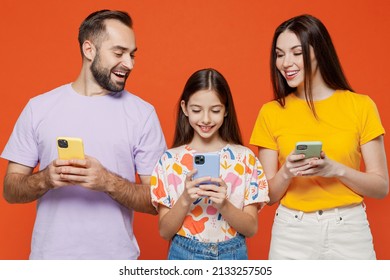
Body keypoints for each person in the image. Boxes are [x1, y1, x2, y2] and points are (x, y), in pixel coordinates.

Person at [1, 10, 166, 259]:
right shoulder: (39, 108)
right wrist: (46, 179)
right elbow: (10, 189)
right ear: (89, 50)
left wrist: (107, 182)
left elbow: (158, 199)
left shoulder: (142, 114)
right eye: (119, 53)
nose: (129, 64)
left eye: (132, 55)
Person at [250, 14, 389, 259]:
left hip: (349, 230)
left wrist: (335, 170)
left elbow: (381, 187)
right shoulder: (271, 112)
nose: (286, 63)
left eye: (296, 52)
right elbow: (268, 196)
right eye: (279, 54)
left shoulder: (361, 106)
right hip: (292, 232)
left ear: (320, 51)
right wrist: (288, 172)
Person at [150, 68, 269, 260]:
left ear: (226, 109)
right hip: (183, 254)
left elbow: (251, 228)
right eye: (197, 110)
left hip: (232, 254)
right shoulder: (169, 161)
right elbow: (164, 231)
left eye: (215, 110)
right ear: (184, 108)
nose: (206, 119)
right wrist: (185, 199)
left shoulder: (245, 159)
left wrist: (224, 204)